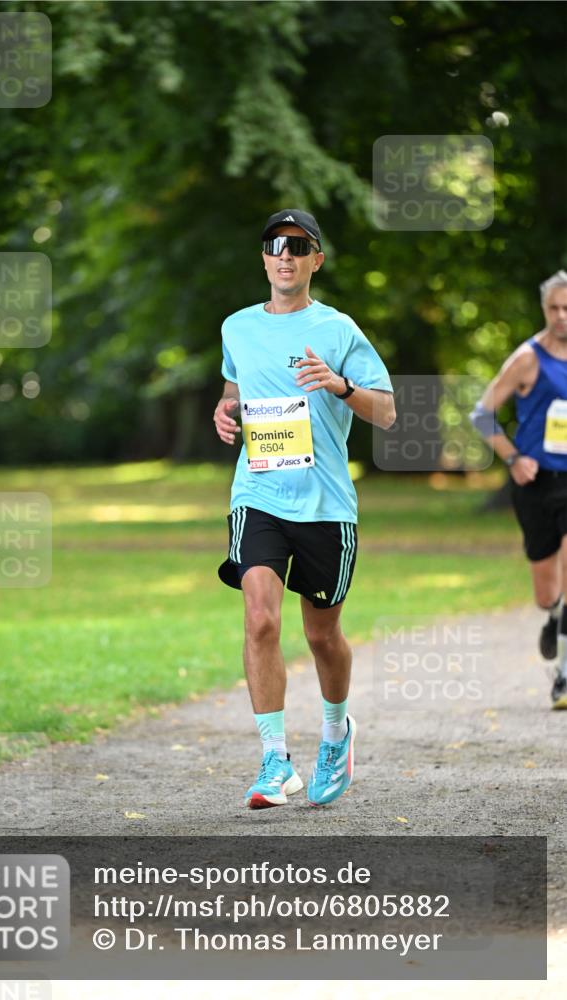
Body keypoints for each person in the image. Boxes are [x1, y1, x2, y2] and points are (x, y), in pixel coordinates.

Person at [213, 209, 395, 809]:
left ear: (316, 259)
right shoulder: (236, 327)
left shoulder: (339, 330)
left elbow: (387, 412)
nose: (284, 255)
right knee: (261, 617)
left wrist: (340, 386)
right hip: (258, 494)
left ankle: (337, 735)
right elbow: (235, 389)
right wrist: (226, 411)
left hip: (325, 502)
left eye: (298, 246)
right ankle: (273, 761)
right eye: (274, 245)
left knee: (323, 635)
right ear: (263, 258)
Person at [470, 270, 567, 708]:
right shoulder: (527, 359)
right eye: (554, 308)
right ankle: (553, 615)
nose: (562, 316)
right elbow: (482, 414)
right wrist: (512, 457)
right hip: (536, 482)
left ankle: (563, 677)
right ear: (544, 309)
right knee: (547, 590)